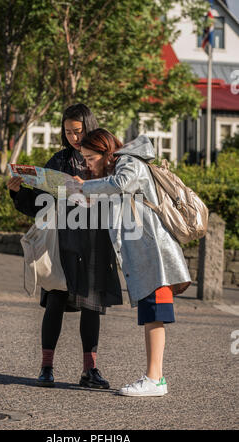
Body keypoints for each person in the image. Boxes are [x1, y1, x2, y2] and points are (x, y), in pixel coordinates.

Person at [7, 105, 123, 389]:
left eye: (78, 131)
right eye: (68, 131)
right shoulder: (59, 159)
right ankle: (46, 367)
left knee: (91, 305)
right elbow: (40, 204)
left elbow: (120, 193)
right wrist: (18, 191)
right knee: (56, 299)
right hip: (63, 240)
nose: (72, 137)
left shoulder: (107, 159)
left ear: (89, 127)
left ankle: (90, 370)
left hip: (96, 240)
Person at [73, 128, 191, 397]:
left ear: (105, 151)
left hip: (154, 254)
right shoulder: (120, 167)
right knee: (152, 315)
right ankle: (155, 377)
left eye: (90, 157)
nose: (88, 163)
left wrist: (84, 185)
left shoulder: (129, 162)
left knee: (155, 314)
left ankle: (154, 379)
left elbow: (120, 185)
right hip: (146, 255)